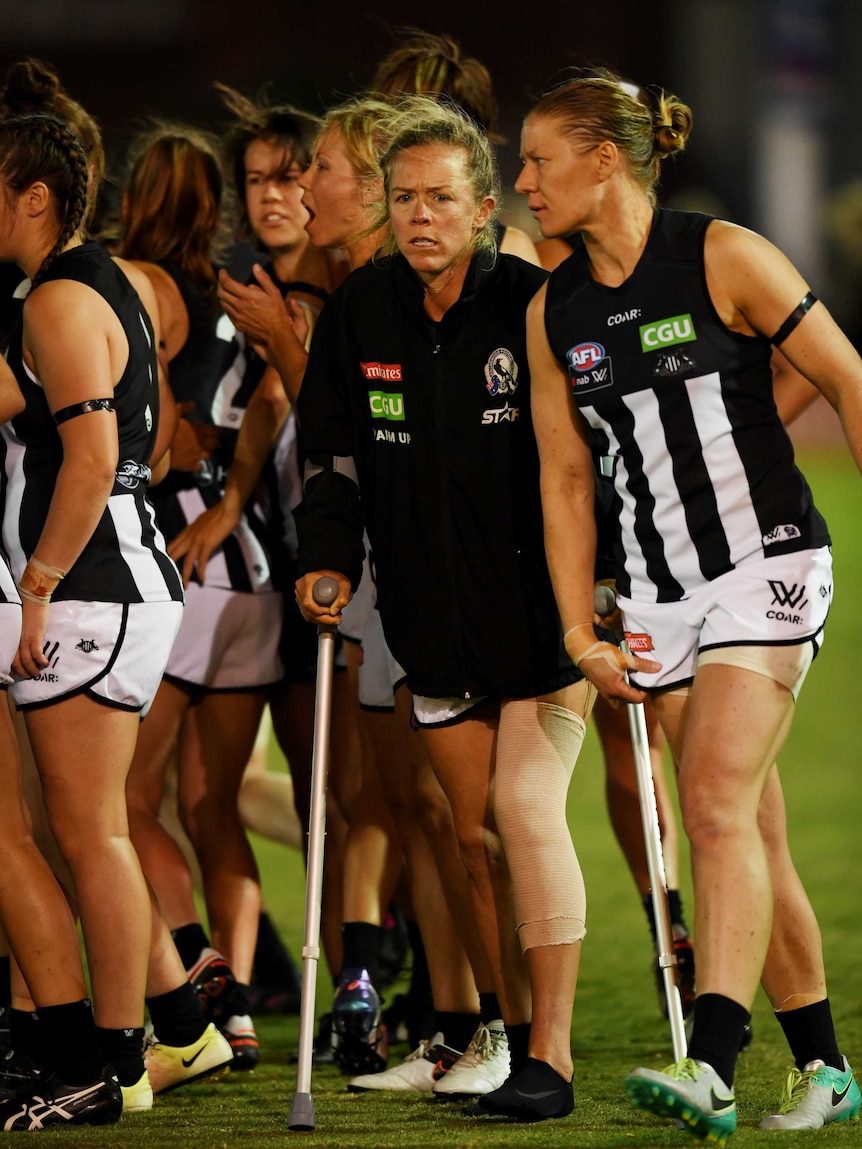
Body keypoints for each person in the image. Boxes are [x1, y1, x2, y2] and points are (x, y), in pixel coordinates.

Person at [517, 68, 862, 1141]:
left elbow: (847, 376)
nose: (523, 181)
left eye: (538, 159)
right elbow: (565, 480)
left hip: (765, 564)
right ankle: (826, 1067)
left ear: (604, 159)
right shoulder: (552, 308)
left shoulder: (722, 255)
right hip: (659, 597)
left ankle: (710, 1059)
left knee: (709, 802)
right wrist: (578, 625)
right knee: (746, 826)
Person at [295, 94, 595, 1122]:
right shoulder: (359, 314)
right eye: (405, 197)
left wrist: (602, 590)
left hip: (540, 622)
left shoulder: (532, 302)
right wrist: (326, 558)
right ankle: (506, 1031)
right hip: (429, 626)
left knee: (519, 815)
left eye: (442, 198)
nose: (421, 214)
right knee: (467, 838)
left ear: (480, 210)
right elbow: (331, 458)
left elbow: (584, 462)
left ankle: (549, 1054)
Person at [0, 110, 228, 1125]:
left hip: (93, 589)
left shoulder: (59, 293)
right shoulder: (96, 285)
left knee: (92, 837)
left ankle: (113, 1066)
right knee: (89, 833)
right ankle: (142, 1045)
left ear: (33, 196)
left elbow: (94, 460)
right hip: (113, 585)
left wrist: (39, 582)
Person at [117, 121, 289, 1070]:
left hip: (181, 559)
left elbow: (157, 441)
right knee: (213, 804)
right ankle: (244, 1010)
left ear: (135, 198)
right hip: (251, 561)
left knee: (129, 800)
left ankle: (187, 965)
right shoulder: (240, 293)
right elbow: (266, 403)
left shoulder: (135, 291)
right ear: (217, 204)